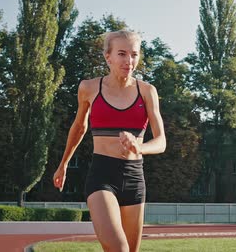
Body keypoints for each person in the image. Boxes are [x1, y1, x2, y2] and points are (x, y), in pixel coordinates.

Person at [53, 30, 166, 252]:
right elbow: (79, 127)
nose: (129, 61)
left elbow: (161, 141)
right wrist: (63, 164)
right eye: (122, 54)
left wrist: (139, 146)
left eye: (134, 54)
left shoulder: (147, 91)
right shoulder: (89, 88)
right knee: (119, 249)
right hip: (101, 176)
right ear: (108, 56)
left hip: (134, 177)